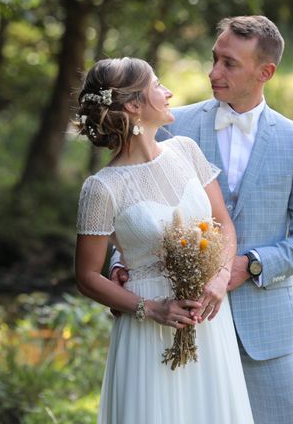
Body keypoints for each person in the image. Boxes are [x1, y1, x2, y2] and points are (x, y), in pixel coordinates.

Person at [110, 15, 293, 423]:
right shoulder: (170, 128)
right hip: (181, 328)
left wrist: (251, 264)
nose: (213, 72)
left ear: (265, 72)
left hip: (262, 335)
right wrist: (121, 265)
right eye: (214, 59)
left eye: (229, 64)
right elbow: (130, 210)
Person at [74, 56, 255, 423]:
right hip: (148, 329)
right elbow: (87, 277)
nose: (169, 92)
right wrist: (152, 309)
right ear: (134, 105)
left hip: (207, 319)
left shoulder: (186, 150)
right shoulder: (101, 188)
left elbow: (223, 224)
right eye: (157, 85)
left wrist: (219, 280)